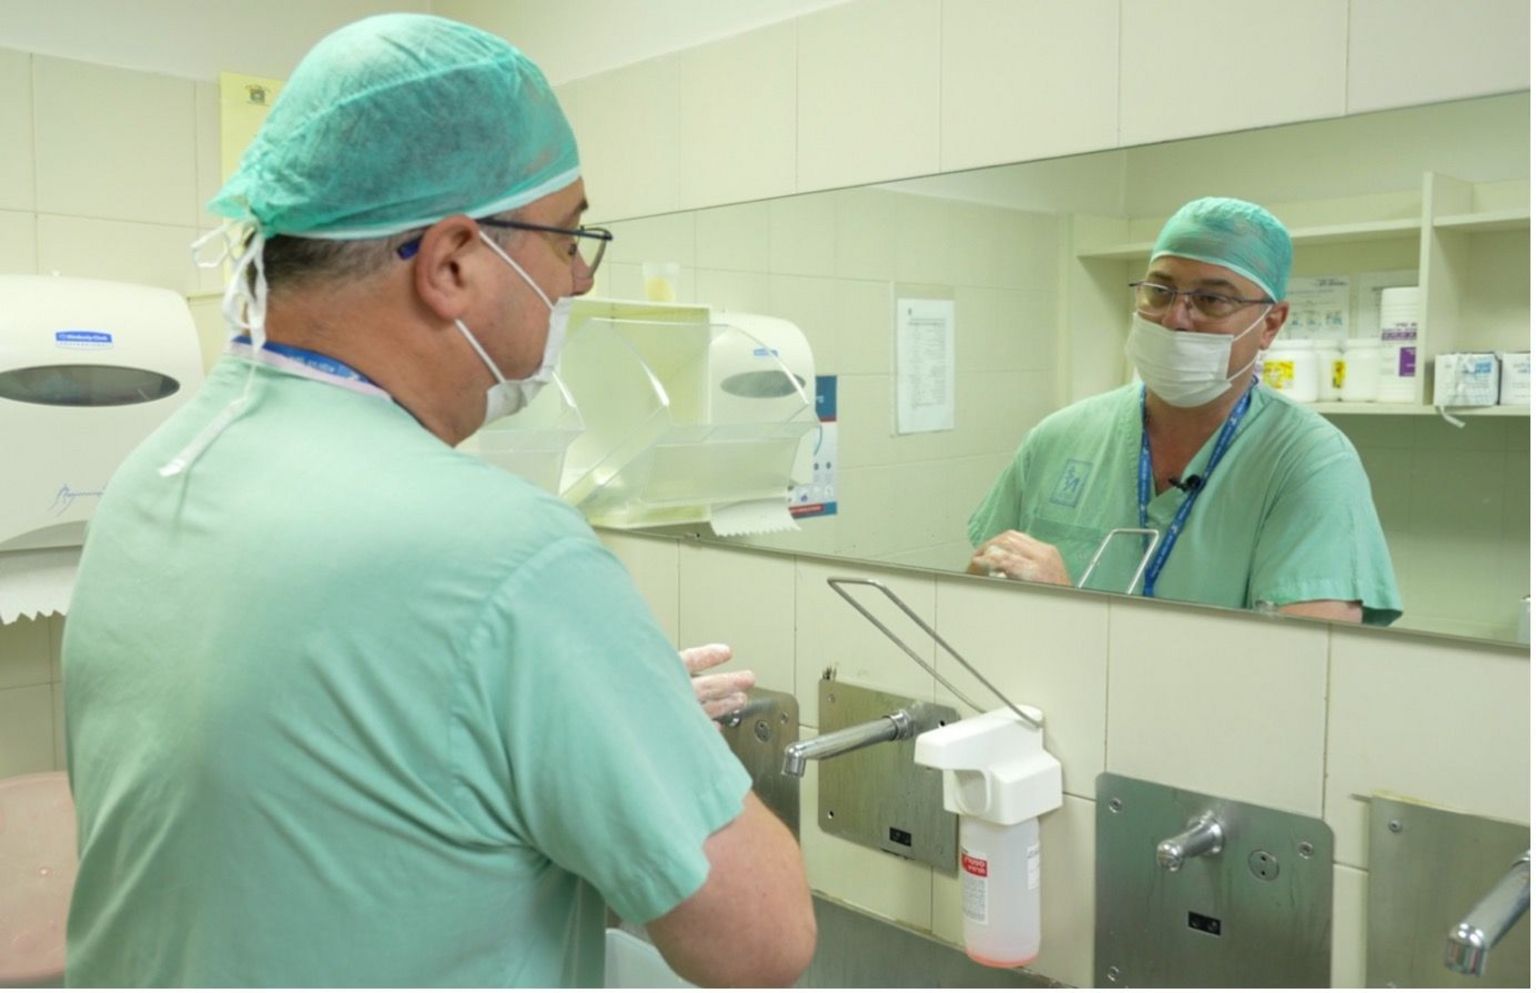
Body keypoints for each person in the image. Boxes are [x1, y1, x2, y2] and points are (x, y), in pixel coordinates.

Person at [61, 14, 813, 988]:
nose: (580, 273)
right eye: (569, 233)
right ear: (454, 262)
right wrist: (639, 720)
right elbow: (763, 944)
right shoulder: (509, 558)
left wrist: (581, 711)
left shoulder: (157, 474)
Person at [967, 196, 1401, 625]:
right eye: (1159, 291)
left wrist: (1071, 611)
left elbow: (1305, 667)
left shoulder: (1311, 462)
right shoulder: (1059, 437)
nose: (1175, 318)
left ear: (1270, 324)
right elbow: (977, 598)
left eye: (1212, 300)